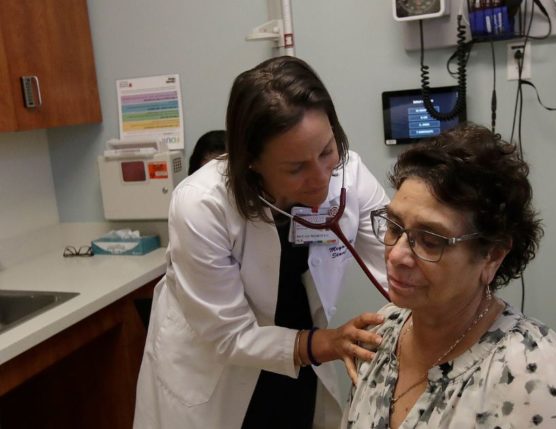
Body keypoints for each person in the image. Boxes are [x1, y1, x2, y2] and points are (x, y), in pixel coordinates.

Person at [134, 56, 389, 429]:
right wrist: (325, 344)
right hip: (216, 372)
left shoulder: (349, 176)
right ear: (250, 161)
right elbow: (228, 335)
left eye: (326, 151)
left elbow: (398, 258)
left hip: (302, 358)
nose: (321, 178)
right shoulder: (202, 205)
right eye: (296, 168)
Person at [345, 123, 556, 428]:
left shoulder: (533, 379)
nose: (397, 254)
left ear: (492, 255)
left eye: (430, 240)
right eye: (394, 227)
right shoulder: (383, 331)